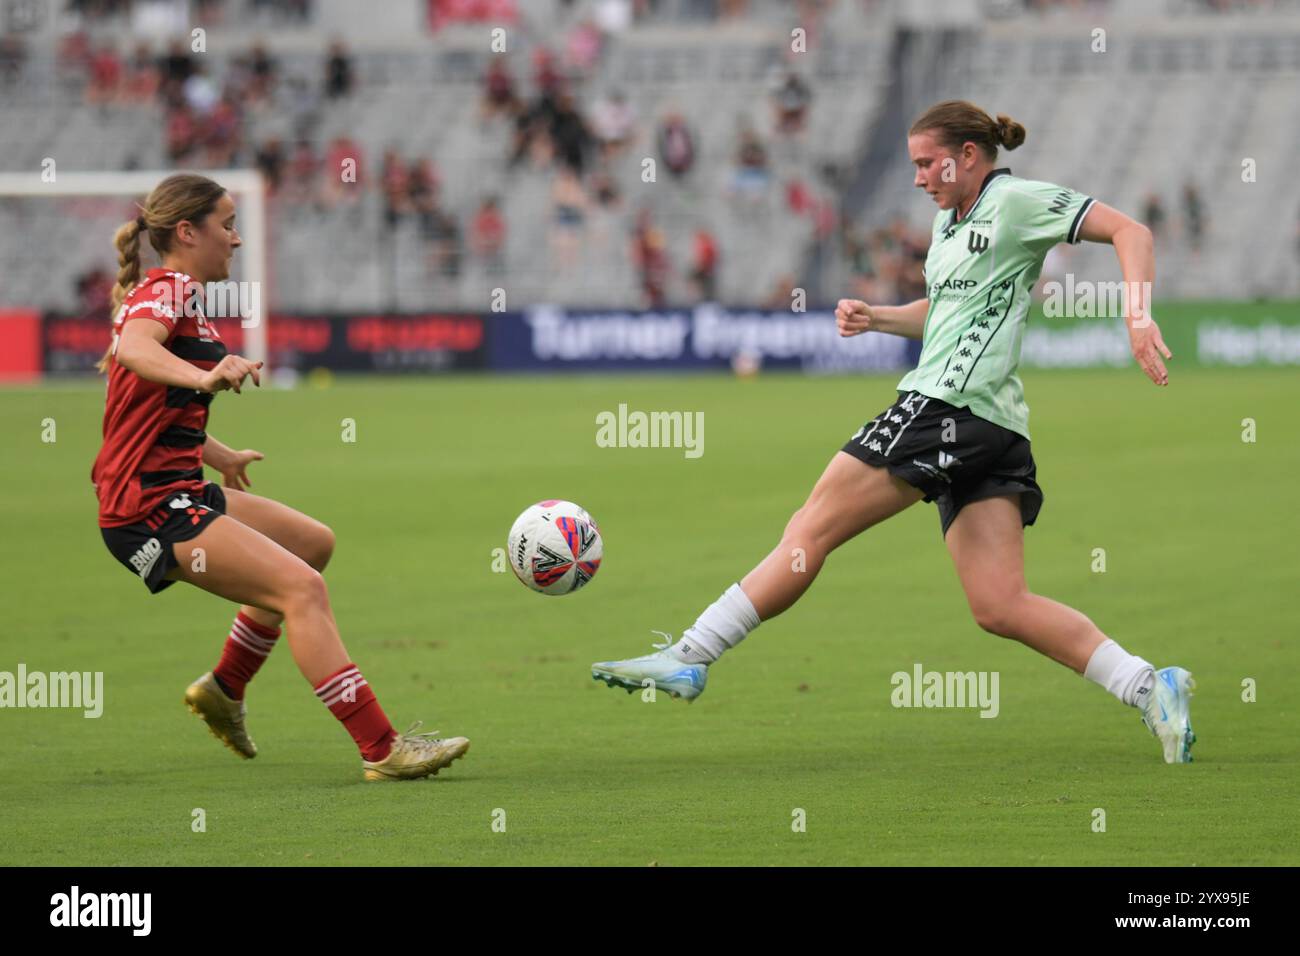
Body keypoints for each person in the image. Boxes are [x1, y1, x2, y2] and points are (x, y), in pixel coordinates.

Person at [592, 100, 1195, 765]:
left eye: (925, 163)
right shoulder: (947, 224)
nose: (917, 179)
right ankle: (1149, 686)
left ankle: (691, 654)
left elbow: (1131, 231)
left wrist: (1136, 317)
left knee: (811, 528)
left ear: (968, 155)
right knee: (999, 604)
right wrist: (878, 317)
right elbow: (944, 312)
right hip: (991, 426)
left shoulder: (1018, 201)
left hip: (946, 408)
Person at [91, 174, 468, 781]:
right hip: (148, 509)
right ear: (187, 232)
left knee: (312, 544)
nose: (237, 240)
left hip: (178, 486)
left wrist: (218, 454)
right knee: (302, 591)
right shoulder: (169, 291)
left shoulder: (176, 294)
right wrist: (203, 378)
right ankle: (383, 749)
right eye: (227, 224)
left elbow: (145, 407)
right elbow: (136, 350)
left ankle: (224, 688)